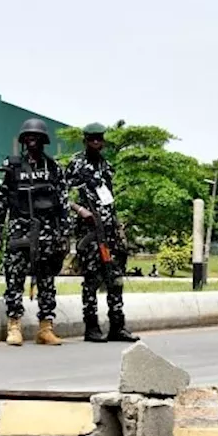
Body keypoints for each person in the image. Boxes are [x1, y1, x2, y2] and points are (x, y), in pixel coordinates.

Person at [0, 119, 69, 346]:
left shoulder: (53, 168)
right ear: (23, 140)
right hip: (19, 230)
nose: (32, 139)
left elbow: (63, 203)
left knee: (46, 281)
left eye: (36, 136)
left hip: (47, 232)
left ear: (43, 140)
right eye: (28, 136)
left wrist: (64, 234)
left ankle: (45, 328)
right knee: (14, 279)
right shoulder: (13, 167)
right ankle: (14, 326)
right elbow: (2, 200)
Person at [65, 122, 138, 343]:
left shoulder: (106, 166)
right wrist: (79, 209)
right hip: (89, 232)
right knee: (92, 281)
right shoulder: (75, 164)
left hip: (109, 232)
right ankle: (91, 327)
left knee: (115, 279)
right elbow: (61, 195)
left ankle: (118, 326)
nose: (96, 142)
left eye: (99, 138)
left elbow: (110, 199)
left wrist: (117, 227)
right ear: (85, 140)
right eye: (91, 138)